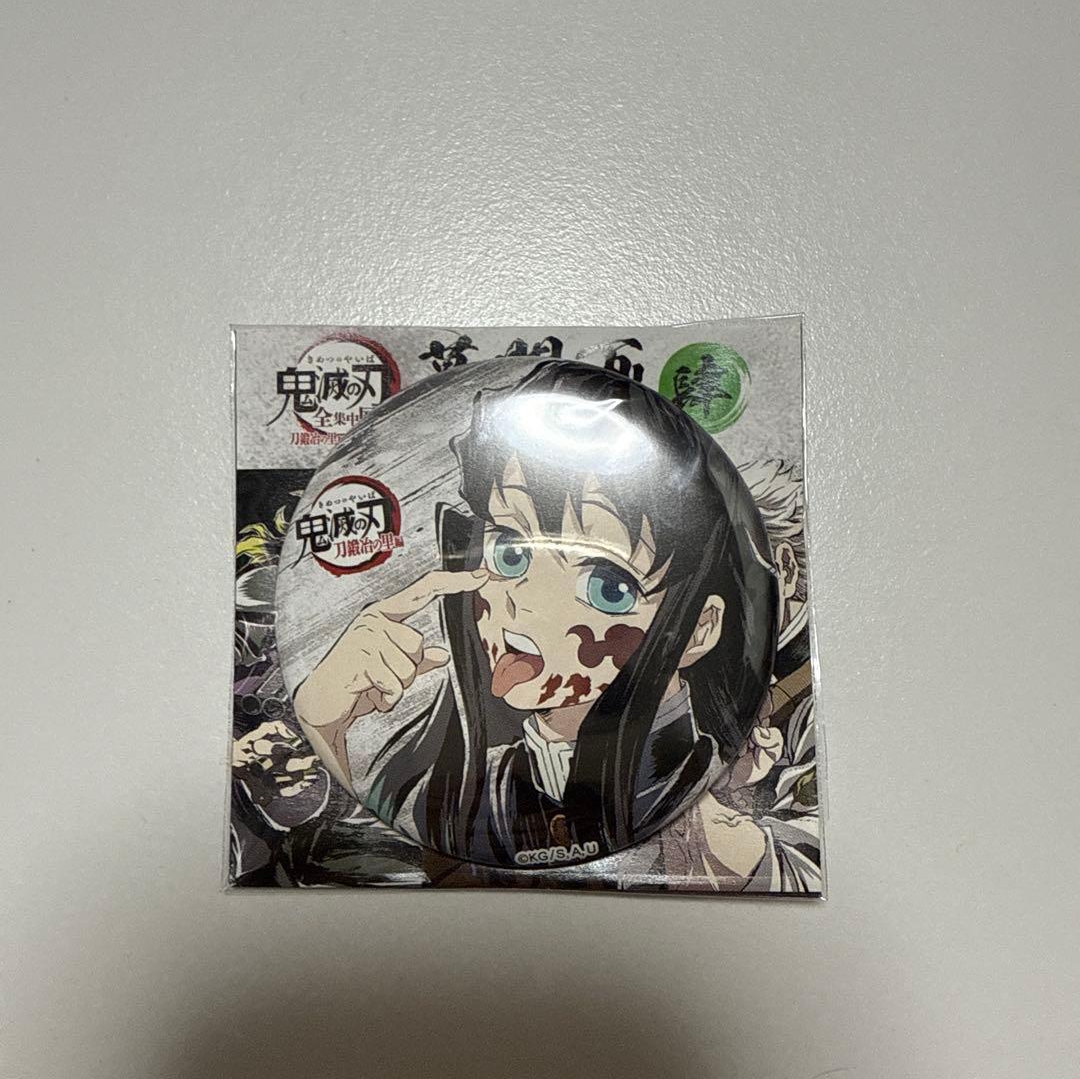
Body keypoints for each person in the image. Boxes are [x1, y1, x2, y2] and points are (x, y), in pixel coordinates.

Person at [293, 361, 778, 869]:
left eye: (608, 586)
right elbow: (368, 871)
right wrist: (324, 726)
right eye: (510, 551)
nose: (522, 606)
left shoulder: (730, 836)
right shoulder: (462, 794)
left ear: (700, 630)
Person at [616, 458, 821, 893]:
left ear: (784, 569)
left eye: (725, 575)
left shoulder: (818, 688)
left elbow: (809, 858)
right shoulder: (701, 658)